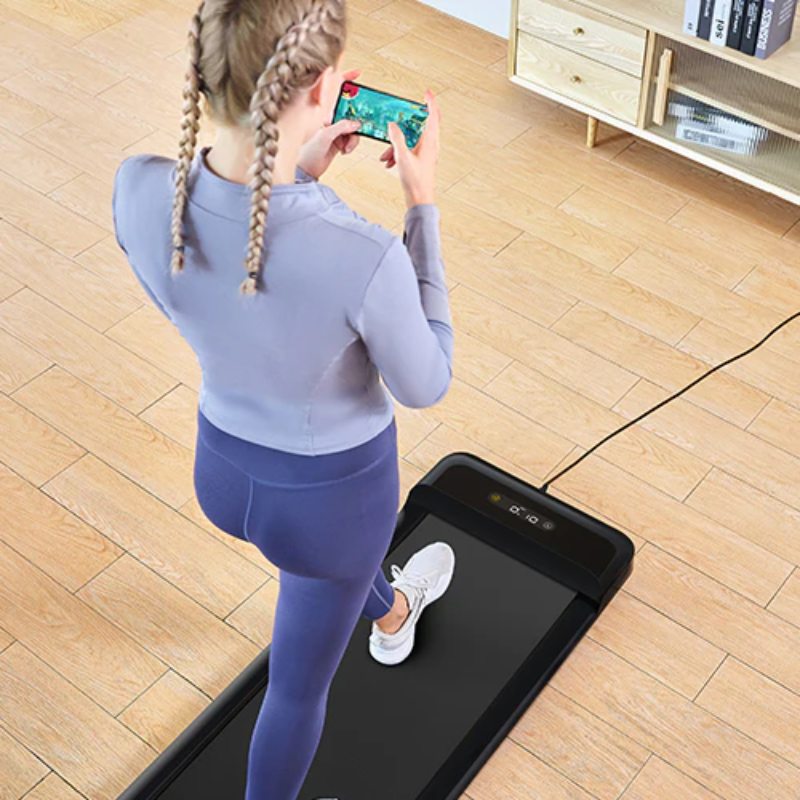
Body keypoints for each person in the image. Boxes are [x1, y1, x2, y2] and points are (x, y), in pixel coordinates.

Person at [111, 1, 456, 797]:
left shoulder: (139, 191)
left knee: (334, 577)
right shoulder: (363, 255)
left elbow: (222, 295)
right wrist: (421, 204)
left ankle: (392, 613)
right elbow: (425, 381)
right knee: (297, 689)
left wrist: (295, 173)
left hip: (224, 479)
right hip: (332, 506)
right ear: (325, 85)